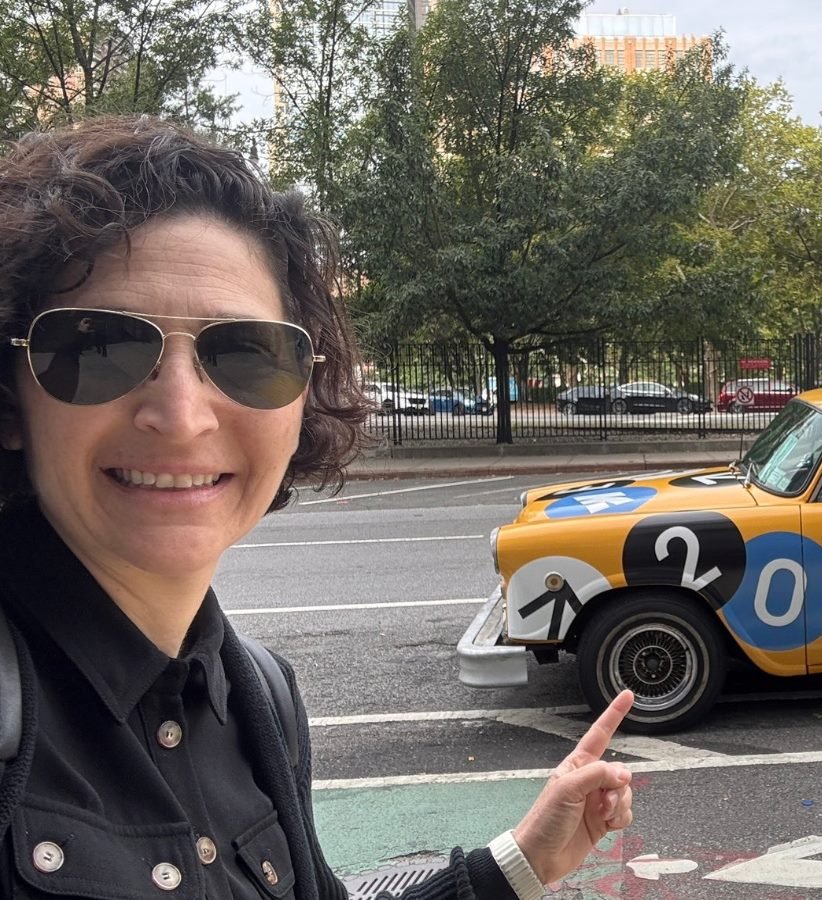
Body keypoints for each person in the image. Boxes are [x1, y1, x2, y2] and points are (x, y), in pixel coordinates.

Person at [0, 116, 634, 899]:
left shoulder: (261, 700)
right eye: (98, 347)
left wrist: (516, 867)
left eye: (246, 353)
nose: (183, 414)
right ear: (11, 392)